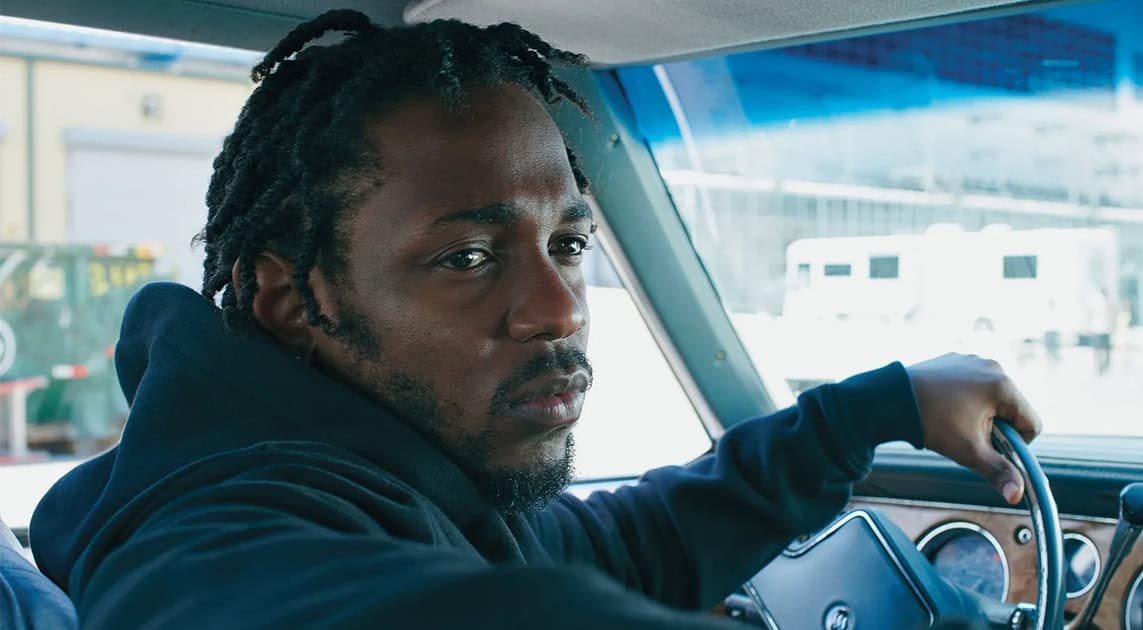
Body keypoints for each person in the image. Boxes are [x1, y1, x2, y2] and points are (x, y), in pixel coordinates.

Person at [28, 11, 1041, 628]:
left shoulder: (419, 470)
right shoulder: (211, 534)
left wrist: (880, 407)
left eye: (567, 243)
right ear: (295, 301)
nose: (560, 309)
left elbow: (626, 544)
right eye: (467, 257)